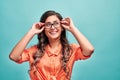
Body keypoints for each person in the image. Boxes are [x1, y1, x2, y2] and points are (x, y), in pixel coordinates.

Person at [9, 10, 94, 80]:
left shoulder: (71, 49)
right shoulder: (34, 51)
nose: (52, 27)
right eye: (48, 24)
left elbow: (89, 50)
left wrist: (73, 28)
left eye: (56, 23)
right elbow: (13, 56)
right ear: (43, 29)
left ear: (62, 27)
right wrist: (31, 32)